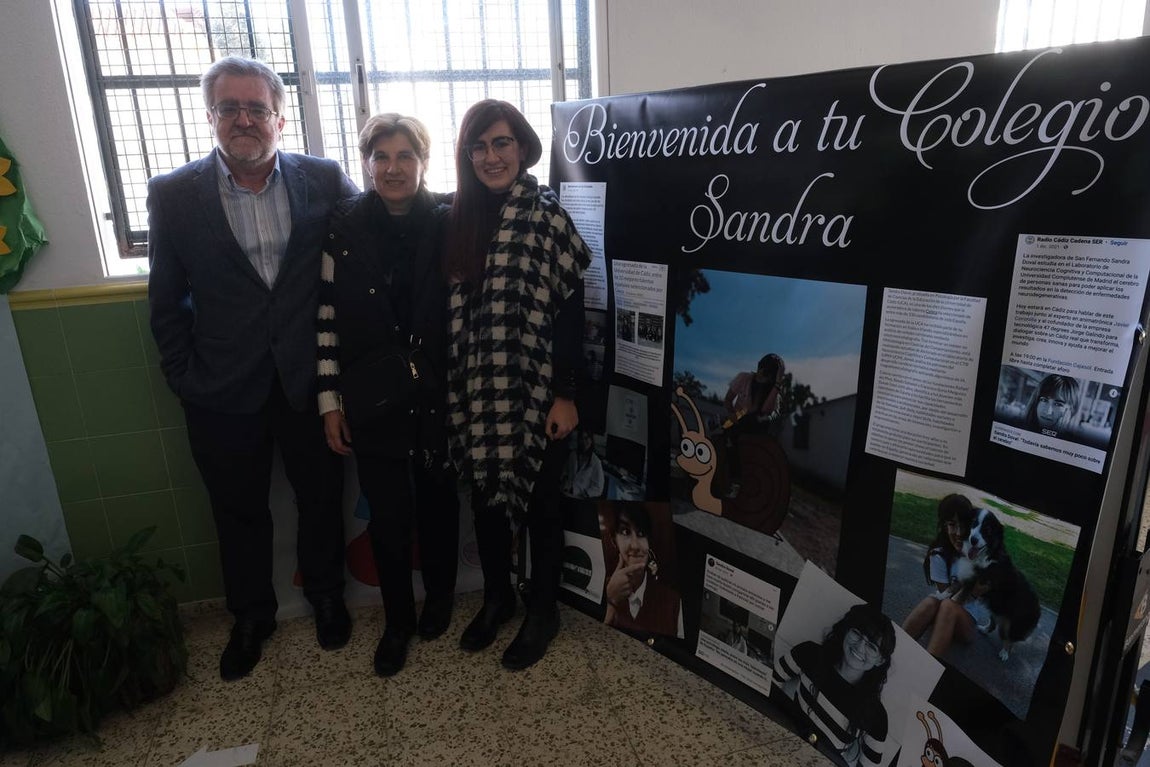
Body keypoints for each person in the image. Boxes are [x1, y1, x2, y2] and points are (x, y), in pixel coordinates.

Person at [147, 56, 358, 681]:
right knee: (236, 509)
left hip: (308, 382)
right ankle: (251, 617)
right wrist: (184, 378)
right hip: (219, 389)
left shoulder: (323, 179)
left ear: (280, 118)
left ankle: (326, 599)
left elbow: (371, 240)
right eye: (230, 108)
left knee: (321, 499)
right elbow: (166, 299)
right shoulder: (174, 194)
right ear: (210, 116)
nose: (244, 119)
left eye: (256, 108)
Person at [443, 99, 591, 670]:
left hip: (535, 392)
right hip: (477, 392)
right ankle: (499, 597)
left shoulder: (547, 215)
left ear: (523, 147)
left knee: (540, 507)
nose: (490, 156)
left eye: (501, 143)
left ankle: (543, 610)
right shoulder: (461, 217)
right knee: (484, 500)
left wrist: (565, 393)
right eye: (478, 146)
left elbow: (573, 313)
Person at [315, 113, 459, 677]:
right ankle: (397, 619)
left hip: (438, 397)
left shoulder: (451, 222)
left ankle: (441, 600)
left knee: (440, 505)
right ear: (367, 163)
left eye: (405, 156)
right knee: (389, 519)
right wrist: (331, 403)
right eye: (381, 157)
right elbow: (325, 317)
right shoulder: (342, 226)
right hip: (371, 401)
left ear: (424, 163)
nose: (393, 168)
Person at [774, 604, 895, 767]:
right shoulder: (809, 653)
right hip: (776, 747)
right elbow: (769, 682)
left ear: (880, 660)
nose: (860, 647)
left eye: (872, 646)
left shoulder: (876, 716)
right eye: (857, 633)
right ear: (846, 630)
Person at [900, 493, 988, 657]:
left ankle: (927, 668)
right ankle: (893, 648)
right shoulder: (938, 555)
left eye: (964, 524)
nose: (959, 532)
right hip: (947, 605)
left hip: (966, 621)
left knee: (947, 605)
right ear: (944, 526)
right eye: (952, 524)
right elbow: (946, 594)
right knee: (931, 601)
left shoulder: (977, 551)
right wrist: (973, 591)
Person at [602, 504, 681, 637]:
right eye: (625, 532)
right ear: (614, 540)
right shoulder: (600, 586)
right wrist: (611, 602)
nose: (635, 545)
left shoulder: (673, 602)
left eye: (641, 534)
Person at [563, 428, 605, 499]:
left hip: (579, 497)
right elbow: (566, 470)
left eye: (586, 438)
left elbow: (599, 487)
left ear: (591, 440)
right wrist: (564, 480)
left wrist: (586, 494)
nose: (583, 441)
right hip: (565, 492)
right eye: (581, 438)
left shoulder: (596, 462)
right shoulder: (573, 454)